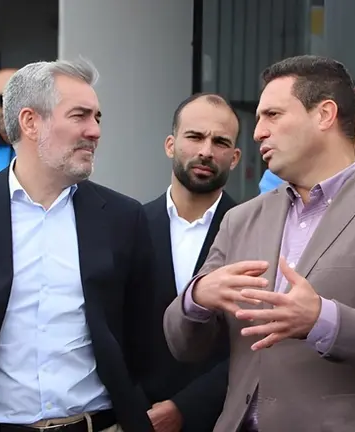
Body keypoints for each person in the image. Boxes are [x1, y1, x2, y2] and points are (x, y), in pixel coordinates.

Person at [163, 55, 355, 432]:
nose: (258, 132)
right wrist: (197, 298)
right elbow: (184, 345)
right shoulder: (241, 219)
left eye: (273, 115)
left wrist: (322, 320)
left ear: (325, 114)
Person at [0, 59, 155, 431]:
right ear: (30, 122)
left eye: (97, 117)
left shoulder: (123, 218)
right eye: (80, 116)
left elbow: (143, 339)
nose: (95, 131)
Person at [143, 93, 240, 432]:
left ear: (235, 157)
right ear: (171, 144)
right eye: (195, 137)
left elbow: (255, 345)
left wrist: (185, 407)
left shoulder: (255, 232)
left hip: (220, 418)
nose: (206, 151)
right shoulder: (132, 226)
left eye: (220, 141)